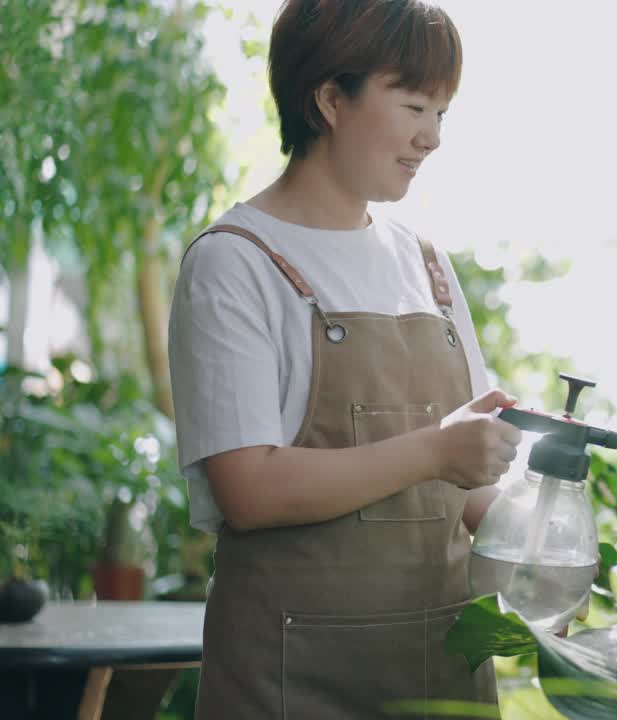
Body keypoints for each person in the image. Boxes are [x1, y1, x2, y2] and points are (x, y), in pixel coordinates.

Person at [167, 2, 518, 717]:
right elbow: (250, 488)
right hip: (290, 684)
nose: (432, 137)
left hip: (441, 681)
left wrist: (548, 541)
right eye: (415, 105)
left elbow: (467, 490)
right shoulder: (236, 263)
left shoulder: (428, 266)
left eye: (443, 113)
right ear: (330, 98)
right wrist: (434, 451)